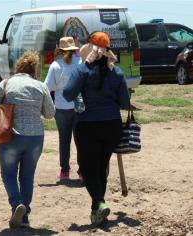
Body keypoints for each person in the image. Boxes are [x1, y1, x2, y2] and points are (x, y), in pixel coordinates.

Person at [63, 32, 130, 226]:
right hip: (111, 125)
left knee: (87, 167)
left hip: (87, 124)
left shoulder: (82, 70)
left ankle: (99, 202)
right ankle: (96, 211)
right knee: (101, 167)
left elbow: (68, 94)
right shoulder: (116, 72)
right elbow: (125, 102)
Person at [0, 51, 55, 228]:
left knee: (8, 174)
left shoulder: (5, 84)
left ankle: (17, 204)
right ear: (34, 69)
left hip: (11, 137)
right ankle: (24, 217)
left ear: (18, 67)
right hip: (35, 138)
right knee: (27, 176)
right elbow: (50, 114)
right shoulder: (40, 86)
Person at [44, 36, 82, 181]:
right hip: (79, 107)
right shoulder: (81, 62)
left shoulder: (56, 65)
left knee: (64, 140)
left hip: (61, 107)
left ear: (60, 50)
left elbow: (48, 87)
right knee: (80, 140)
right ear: (74, 49)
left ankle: (64, 171)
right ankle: (82, 170)